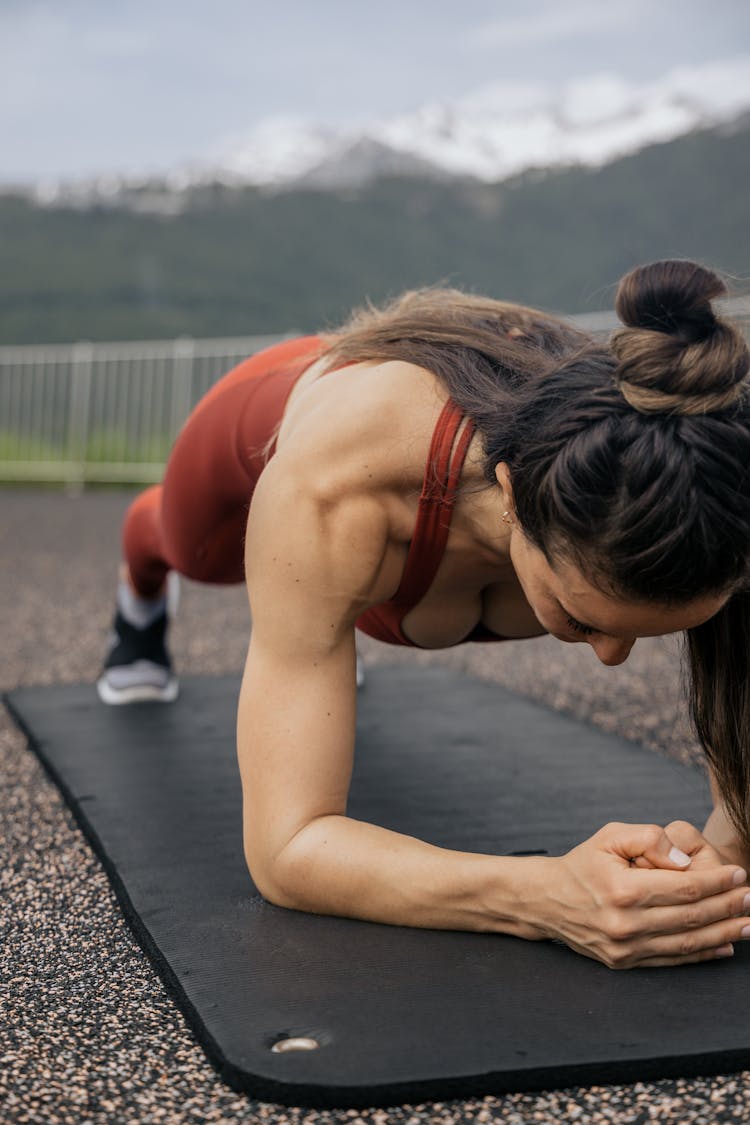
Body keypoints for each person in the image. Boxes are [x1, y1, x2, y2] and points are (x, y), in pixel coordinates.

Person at [98, 259, 750, 970]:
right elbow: (286, 850)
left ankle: (326, 643)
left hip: (414, 515)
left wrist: (706, 873)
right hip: (276, 407)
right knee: (187, 545)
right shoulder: (334, 489)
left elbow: (738, 822)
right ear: (511, 495)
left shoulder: (707, 498)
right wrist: (545, 895)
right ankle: (142, 586)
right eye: (581, 616)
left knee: (321, 631)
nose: (611, 655)